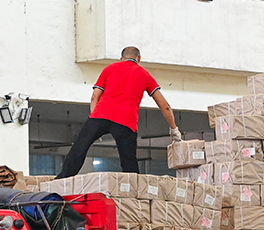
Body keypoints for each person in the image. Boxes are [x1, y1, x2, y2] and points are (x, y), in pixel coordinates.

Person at [56, 46, 182, 179]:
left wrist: (93, 120)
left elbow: (94, 97)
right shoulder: (145, 74)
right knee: (129, 162)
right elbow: (164, 106)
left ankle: (62, 179)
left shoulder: (109, 69)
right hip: (126, 122)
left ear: (121, 59)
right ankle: (132, 192)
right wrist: (174, 129)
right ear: (139, 59)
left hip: (100, 116)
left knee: (79, 148)